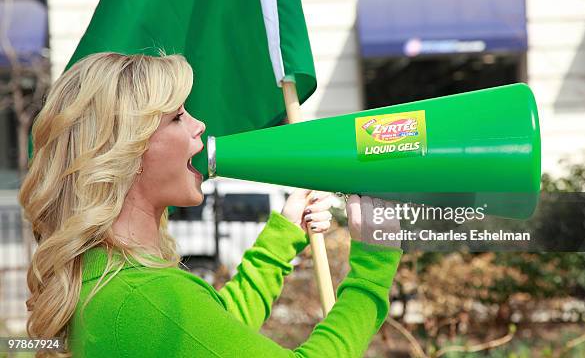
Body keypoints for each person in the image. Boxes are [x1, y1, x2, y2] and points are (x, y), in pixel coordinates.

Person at [19, 52, 403, 358]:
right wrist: (374, 265)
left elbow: (211, 330)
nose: (199, 124)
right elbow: (188, 324)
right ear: (125, 151)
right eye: (176, 117)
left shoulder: (111, 280)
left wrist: (283, 235)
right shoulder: (147, 298)